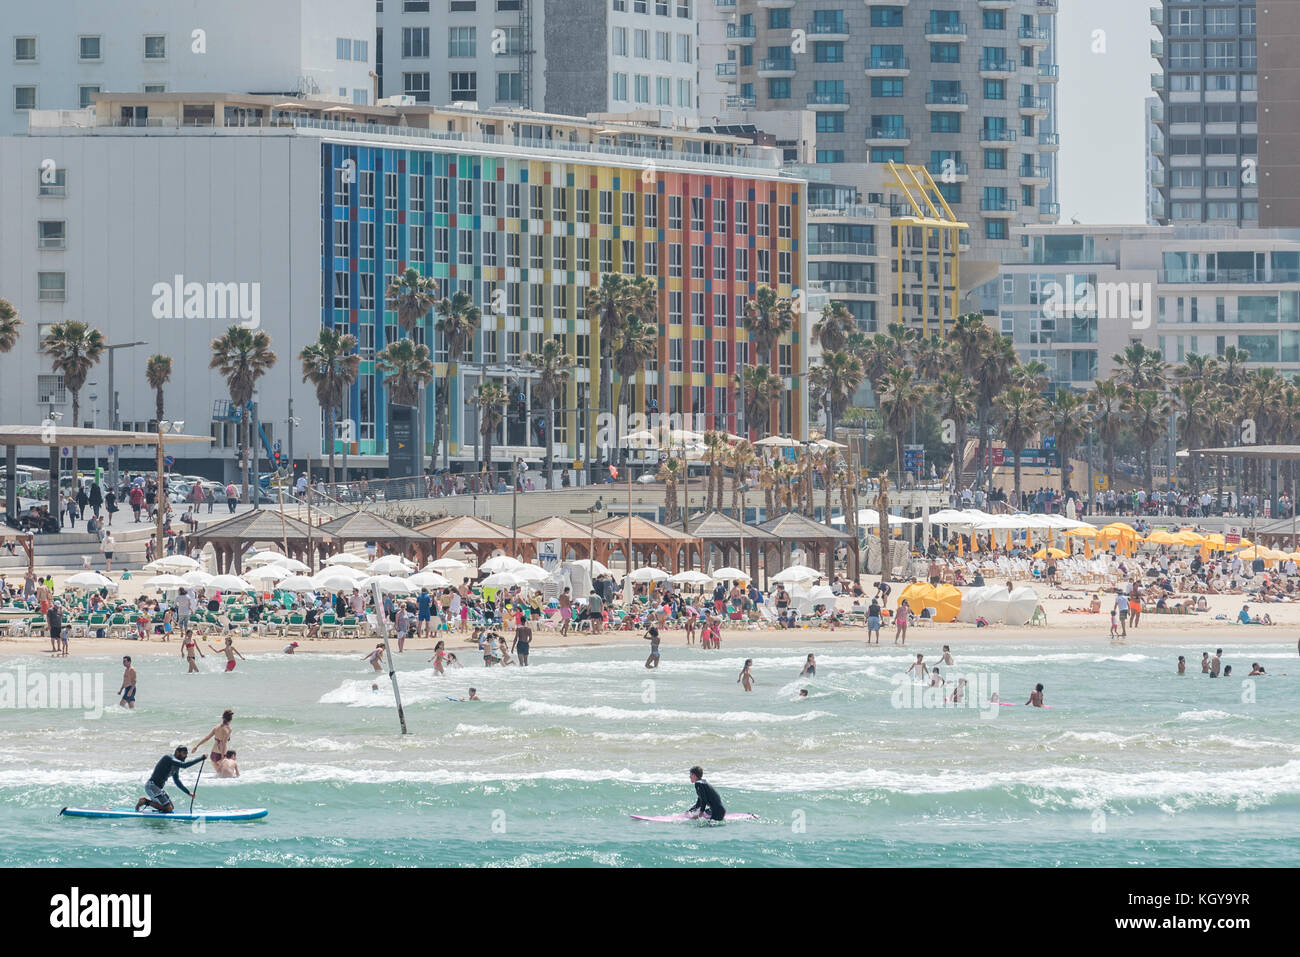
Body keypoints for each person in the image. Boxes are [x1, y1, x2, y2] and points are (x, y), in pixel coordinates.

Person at [135, 746, 205, 813]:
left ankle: (149, 803)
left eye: (187, 754)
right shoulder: (168, 758)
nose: (186, 756)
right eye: (184, 753)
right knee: (168, 809)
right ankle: (144, 801)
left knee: (171, 807)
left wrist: (188, 792)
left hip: (158, 788)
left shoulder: (176, 765)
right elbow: (184, 765)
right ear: (177, 752)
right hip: (152, 786)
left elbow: (177, 781)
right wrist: (201, 758)